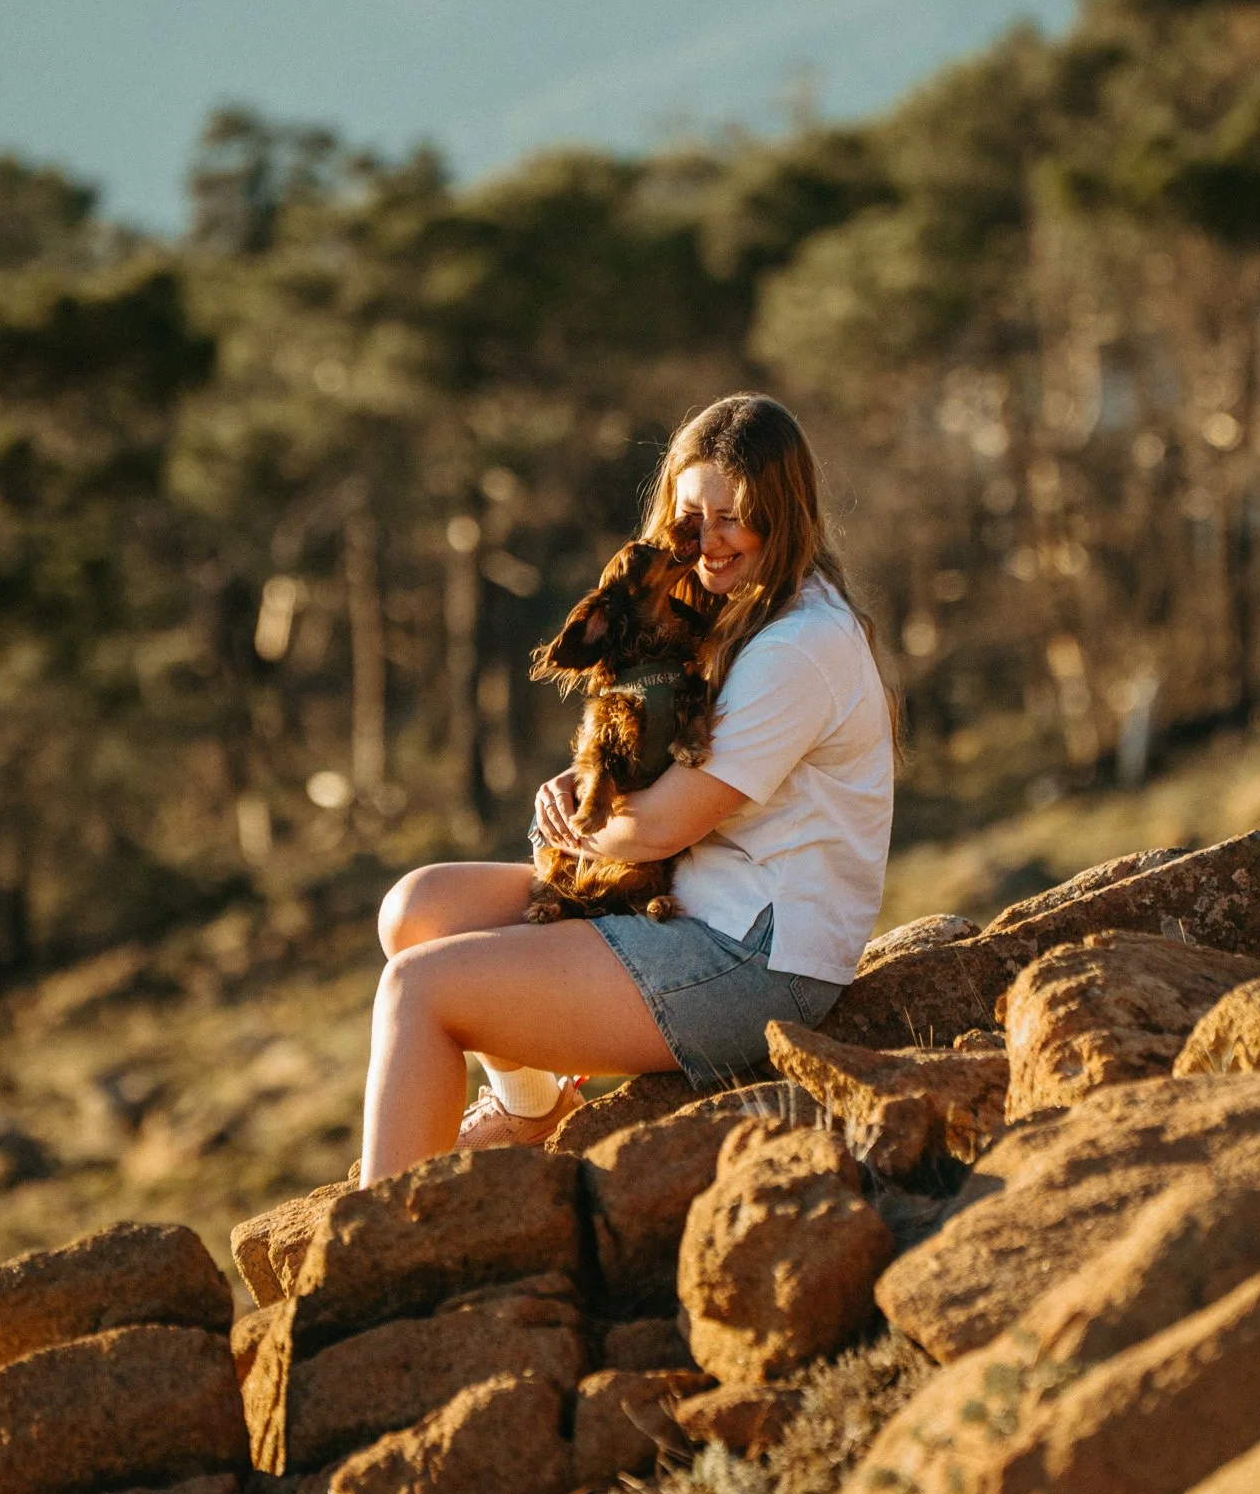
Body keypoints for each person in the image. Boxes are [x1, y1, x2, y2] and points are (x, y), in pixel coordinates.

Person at [360, 393, 895, 1184]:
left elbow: (654, 829)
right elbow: (644, 769)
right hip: (686, 901)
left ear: (783, 516)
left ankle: (376, 1255)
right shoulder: (719, 612)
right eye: (690, 517)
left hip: (754, 956)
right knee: (418, 910)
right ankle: (533, 1110)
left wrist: (580, 819)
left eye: (733, 518)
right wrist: (589, 790)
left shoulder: (799, 645)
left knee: (422, 987)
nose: (707, 543)